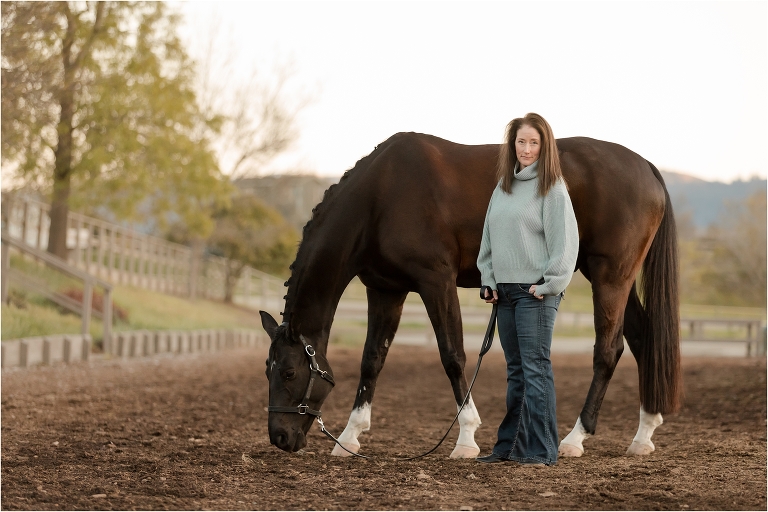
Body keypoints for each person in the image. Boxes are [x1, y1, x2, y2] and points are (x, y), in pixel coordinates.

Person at [475, 112, 579, 466]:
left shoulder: (552, 189)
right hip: (504, 292)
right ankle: (509, 448)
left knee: (535, 369)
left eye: (534, 142)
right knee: (516, 371)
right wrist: (488, 280)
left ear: (544, 145)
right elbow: (488, 240)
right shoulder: (503, 189)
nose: (527, 148)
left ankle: (541, 450)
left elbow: (565, 244)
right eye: (521, 141)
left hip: (535, 293)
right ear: (512, 144)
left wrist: (549, 284)